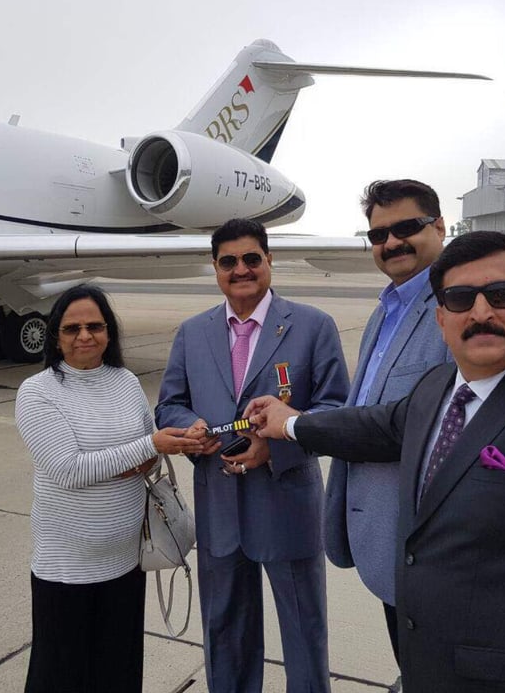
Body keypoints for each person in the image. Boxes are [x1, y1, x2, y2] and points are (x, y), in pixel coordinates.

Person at [246, 231, 505, 693]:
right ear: (442, 318)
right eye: (462, 298)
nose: (482, 312)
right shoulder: (436, 389)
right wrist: (290, 424)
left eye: (502, 294)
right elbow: (375, 428)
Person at [155, 218, 350, 693]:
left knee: (304, 631)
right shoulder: (192, 332)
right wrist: (190, 429)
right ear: (215, 268)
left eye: (251, 259)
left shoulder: (312, 326)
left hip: (287, 503)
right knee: (224, 631)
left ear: (269, 261)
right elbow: (169, 402)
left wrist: (278, 444)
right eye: (228, 262)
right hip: (220, 506)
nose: (240, 270)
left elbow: (335, 410)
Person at [15, 285, 208, 693]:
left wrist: (133, 456)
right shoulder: (37, 392)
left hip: (125, 562)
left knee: (118, 675)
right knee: (59, 677)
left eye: (95, 326)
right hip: (67, 570)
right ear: (55, 336)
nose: (84, 336)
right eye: (72, 328)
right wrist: (141, 451)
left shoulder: (124, 381)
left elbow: (148, 459)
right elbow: (66, 469)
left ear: (109, 332)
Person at [325, 179, 452, 668]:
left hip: (432, 550)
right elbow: (366, 408)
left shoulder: (454, 305)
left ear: (439, 226)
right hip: (392, 547)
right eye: (378, 235)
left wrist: (300, 429)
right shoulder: (387, 310)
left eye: (406, 228)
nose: (391, 242)